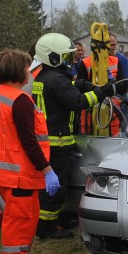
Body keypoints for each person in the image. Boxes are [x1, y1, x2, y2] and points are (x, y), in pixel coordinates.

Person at [0, 48, 58, 254]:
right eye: (27, 68)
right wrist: (47, 170)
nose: (30, 72)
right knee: (21, 222)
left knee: (13, 219)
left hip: (4, 173)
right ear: (19, 72)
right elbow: (29, 141)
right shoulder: (20, 101)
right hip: (19, 174)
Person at [31, 33, 111, 238]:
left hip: (47, 140)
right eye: (64, 56)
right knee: (56, 187)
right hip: (57, 142)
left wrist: (81, 85)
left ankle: (56, 219)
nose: (68, 60)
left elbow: (60, 93)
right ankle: (47, 228)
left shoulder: (43, 76)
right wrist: (103, 92)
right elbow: (77, 103)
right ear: (53, 57)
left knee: (55, 186)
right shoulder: (57, 79)